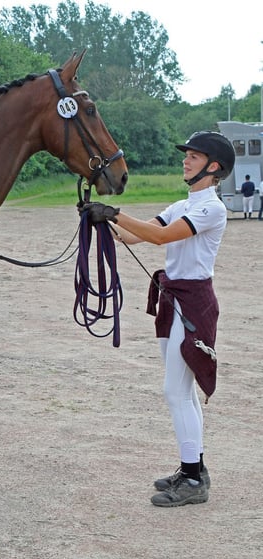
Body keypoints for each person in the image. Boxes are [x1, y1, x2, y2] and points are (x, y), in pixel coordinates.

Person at [81, 131, 235, 507]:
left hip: (194, 301)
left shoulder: (211, 208)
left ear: (213, 167)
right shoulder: (182, 203)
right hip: (172, 297)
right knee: (182, 390)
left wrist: (115, 211)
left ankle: (194, 479)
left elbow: (162, 237)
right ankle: (193, 467)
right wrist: (100, 220)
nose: (186, 160)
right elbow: (137, 237)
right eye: (188, 156)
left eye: (194, 157)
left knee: (175, 390)